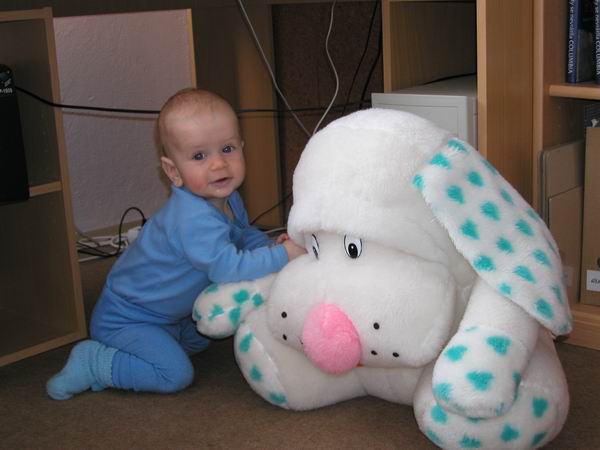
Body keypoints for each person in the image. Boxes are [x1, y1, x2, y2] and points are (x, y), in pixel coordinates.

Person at [47, 88, 306, 400]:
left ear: (242, 148)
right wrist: (283, 255)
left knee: (202, 336)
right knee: (174, 374)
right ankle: (96, 362)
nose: (218, 165)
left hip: (171, 318)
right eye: (199, 156)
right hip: (129, 319)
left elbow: (242, 234)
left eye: (227, 149)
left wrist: (268, 245)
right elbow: (227, 268)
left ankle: (157, 345)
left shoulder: (228, 198)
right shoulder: (192, 219)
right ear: (173, 171)